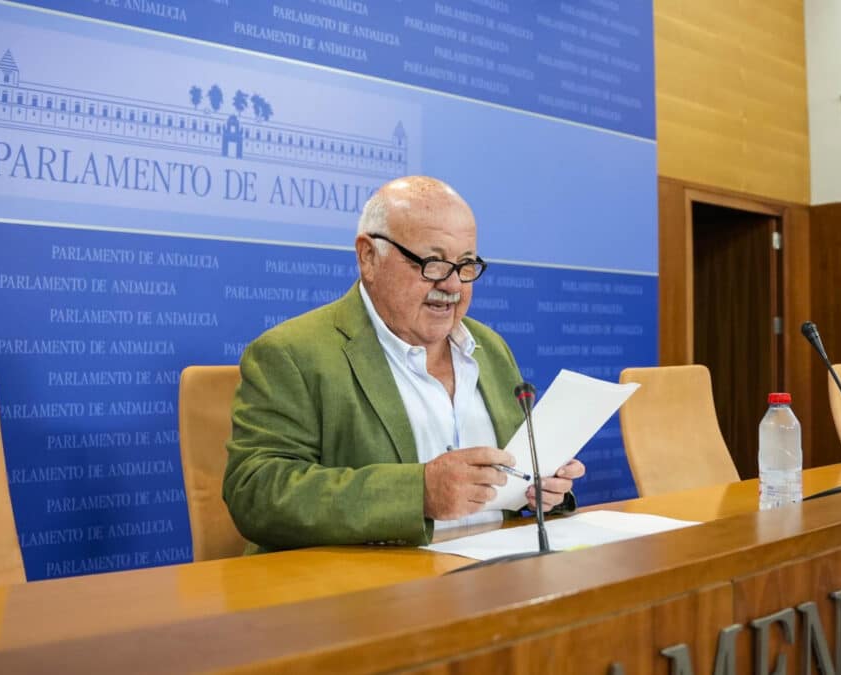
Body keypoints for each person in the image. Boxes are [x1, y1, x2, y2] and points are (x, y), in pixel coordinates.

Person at [223, 176, 585, 553]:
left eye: (465, 265)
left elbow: (517, 473)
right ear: (368, 257)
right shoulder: (290, 353)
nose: (454, 285)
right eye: (433, 263)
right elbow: (256, 491)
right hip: (370, 594)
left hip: (496, 581)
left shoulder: (489, 348)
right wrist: (419, 493)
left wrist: (542, 489)